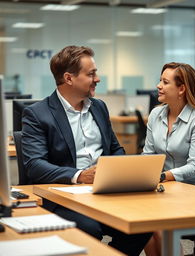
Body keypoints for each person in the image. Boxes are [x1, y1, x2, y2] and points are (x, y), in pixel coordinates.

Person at [21, 45, 152, 256]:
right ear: (69, 78)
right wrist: (80, 176)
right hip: (64, 197)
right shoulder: (37, 114)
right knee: (89, 228)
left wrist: (117, 170)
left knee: (144, 222)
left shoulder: (99, 107)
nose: (98, 78)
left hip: (104, 192)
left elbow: (115, 149)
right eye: (91, 74)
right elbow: (34, 165)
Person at [142, 62, 195, 256]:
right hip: (166, 190)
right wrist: (139, 174)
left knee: (159, 225)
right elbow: (148, 155)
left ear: (181, 88)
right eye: (160, 80)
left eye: (165, 82)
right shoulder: (155, 114)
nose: (158, 85)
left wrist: (161, 176)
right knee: (141, 227)